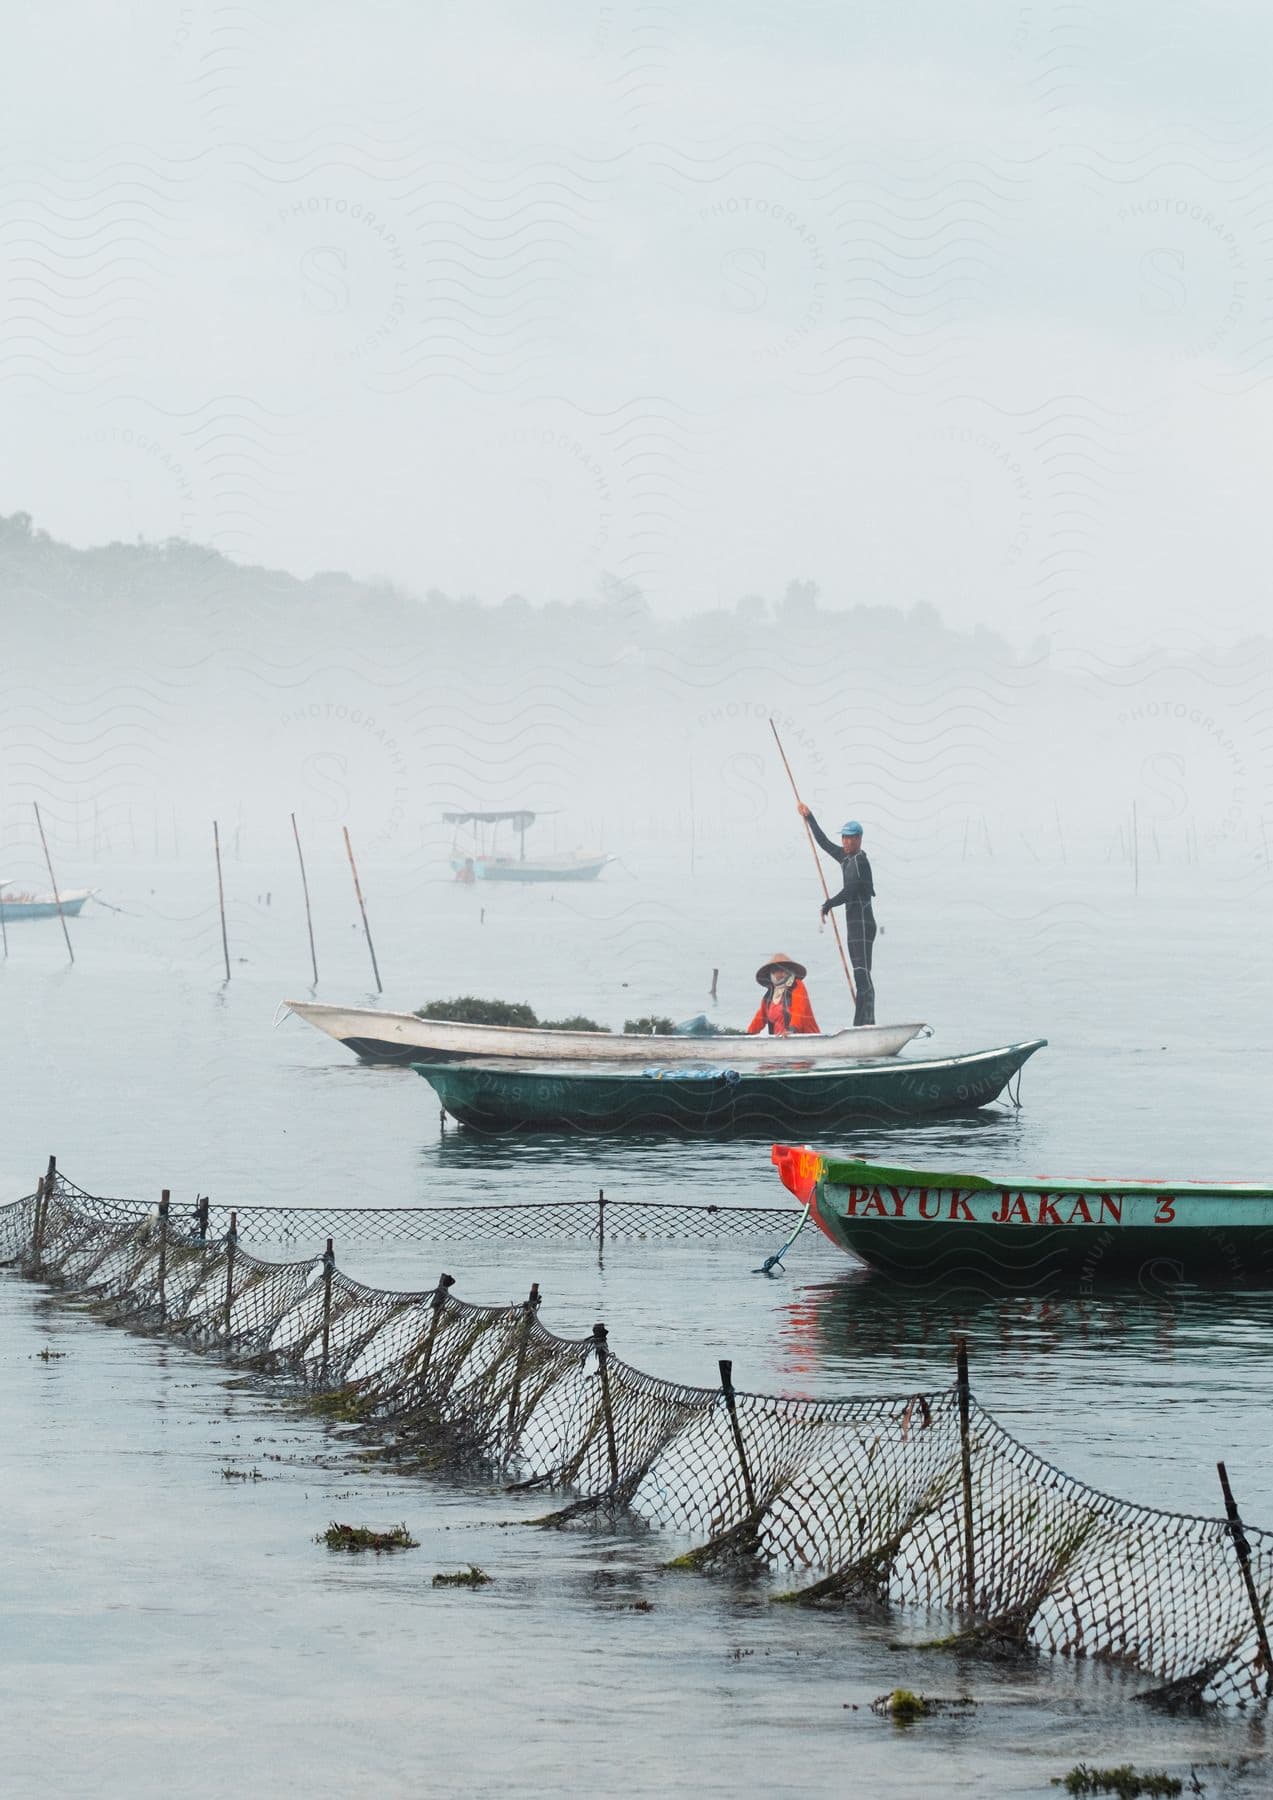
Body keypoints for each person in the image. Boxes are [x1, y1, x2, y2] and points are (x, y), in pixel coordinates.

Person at [798, 805, 877, 1026]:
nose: (846, 842)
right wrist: (810, 817)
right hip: (854, 923)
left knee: (862, 974)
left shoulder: (860, 861)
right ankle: (862, 1023)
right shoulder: (845, 857)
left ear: (859, 839)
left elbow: (851, 889)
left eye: (851, 838)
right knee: (859, 974)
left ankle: (866, 1023)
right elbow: (823, 843)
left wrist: (829, 903)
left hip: (863, 923)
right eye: (844, 838)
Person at [747, 953, 820, 1036]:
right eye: (775, 970)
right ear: (771, 974)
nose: (780, 973)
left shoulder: (797, 986)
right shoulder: (770, 995)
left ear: (789, 970)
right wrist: (748, 1035)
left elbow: (798, 1011)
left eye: (784, 969)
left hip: (804, 1039)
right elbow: (759, 1019)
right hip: (780, 1041)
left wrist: (791, 1031)